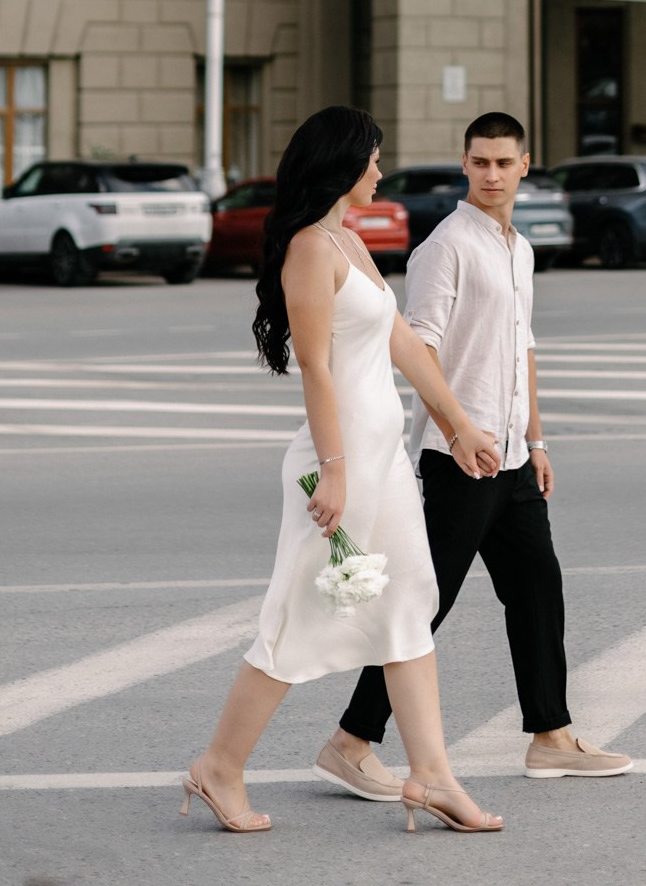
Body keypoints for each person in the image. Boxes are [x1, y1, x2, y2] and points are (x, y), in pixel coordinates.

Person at [182, 105, 505, 836]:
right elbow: (317, 372)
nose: (381, 171)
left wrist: (458, 426)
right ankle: (218, 768)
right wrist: (333, 471)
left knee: (407, 605)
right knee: (296, 616)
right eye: (374, 159)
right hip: (337, 462)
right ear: (344, 163)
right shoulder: (308, 250)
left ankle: (434, 778)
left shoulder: (349, 242)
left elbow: (409, 349)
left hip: (381, 459)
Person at [318, 110, 632, 796]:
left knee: (538, 589)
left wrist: (537, 440)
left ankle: (551, 737)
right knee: (425, 602)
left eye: (504, 162)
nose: (492, 173)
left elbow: (522, 350)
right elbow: (418, 350)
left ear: (525, 166)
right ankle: (350, 741)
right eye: (480, 162)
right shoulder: (446, 246)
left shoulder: (516, 248)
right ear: (465, 165)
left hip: (511, 456)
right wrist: (458, 432)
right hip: (459, 457)